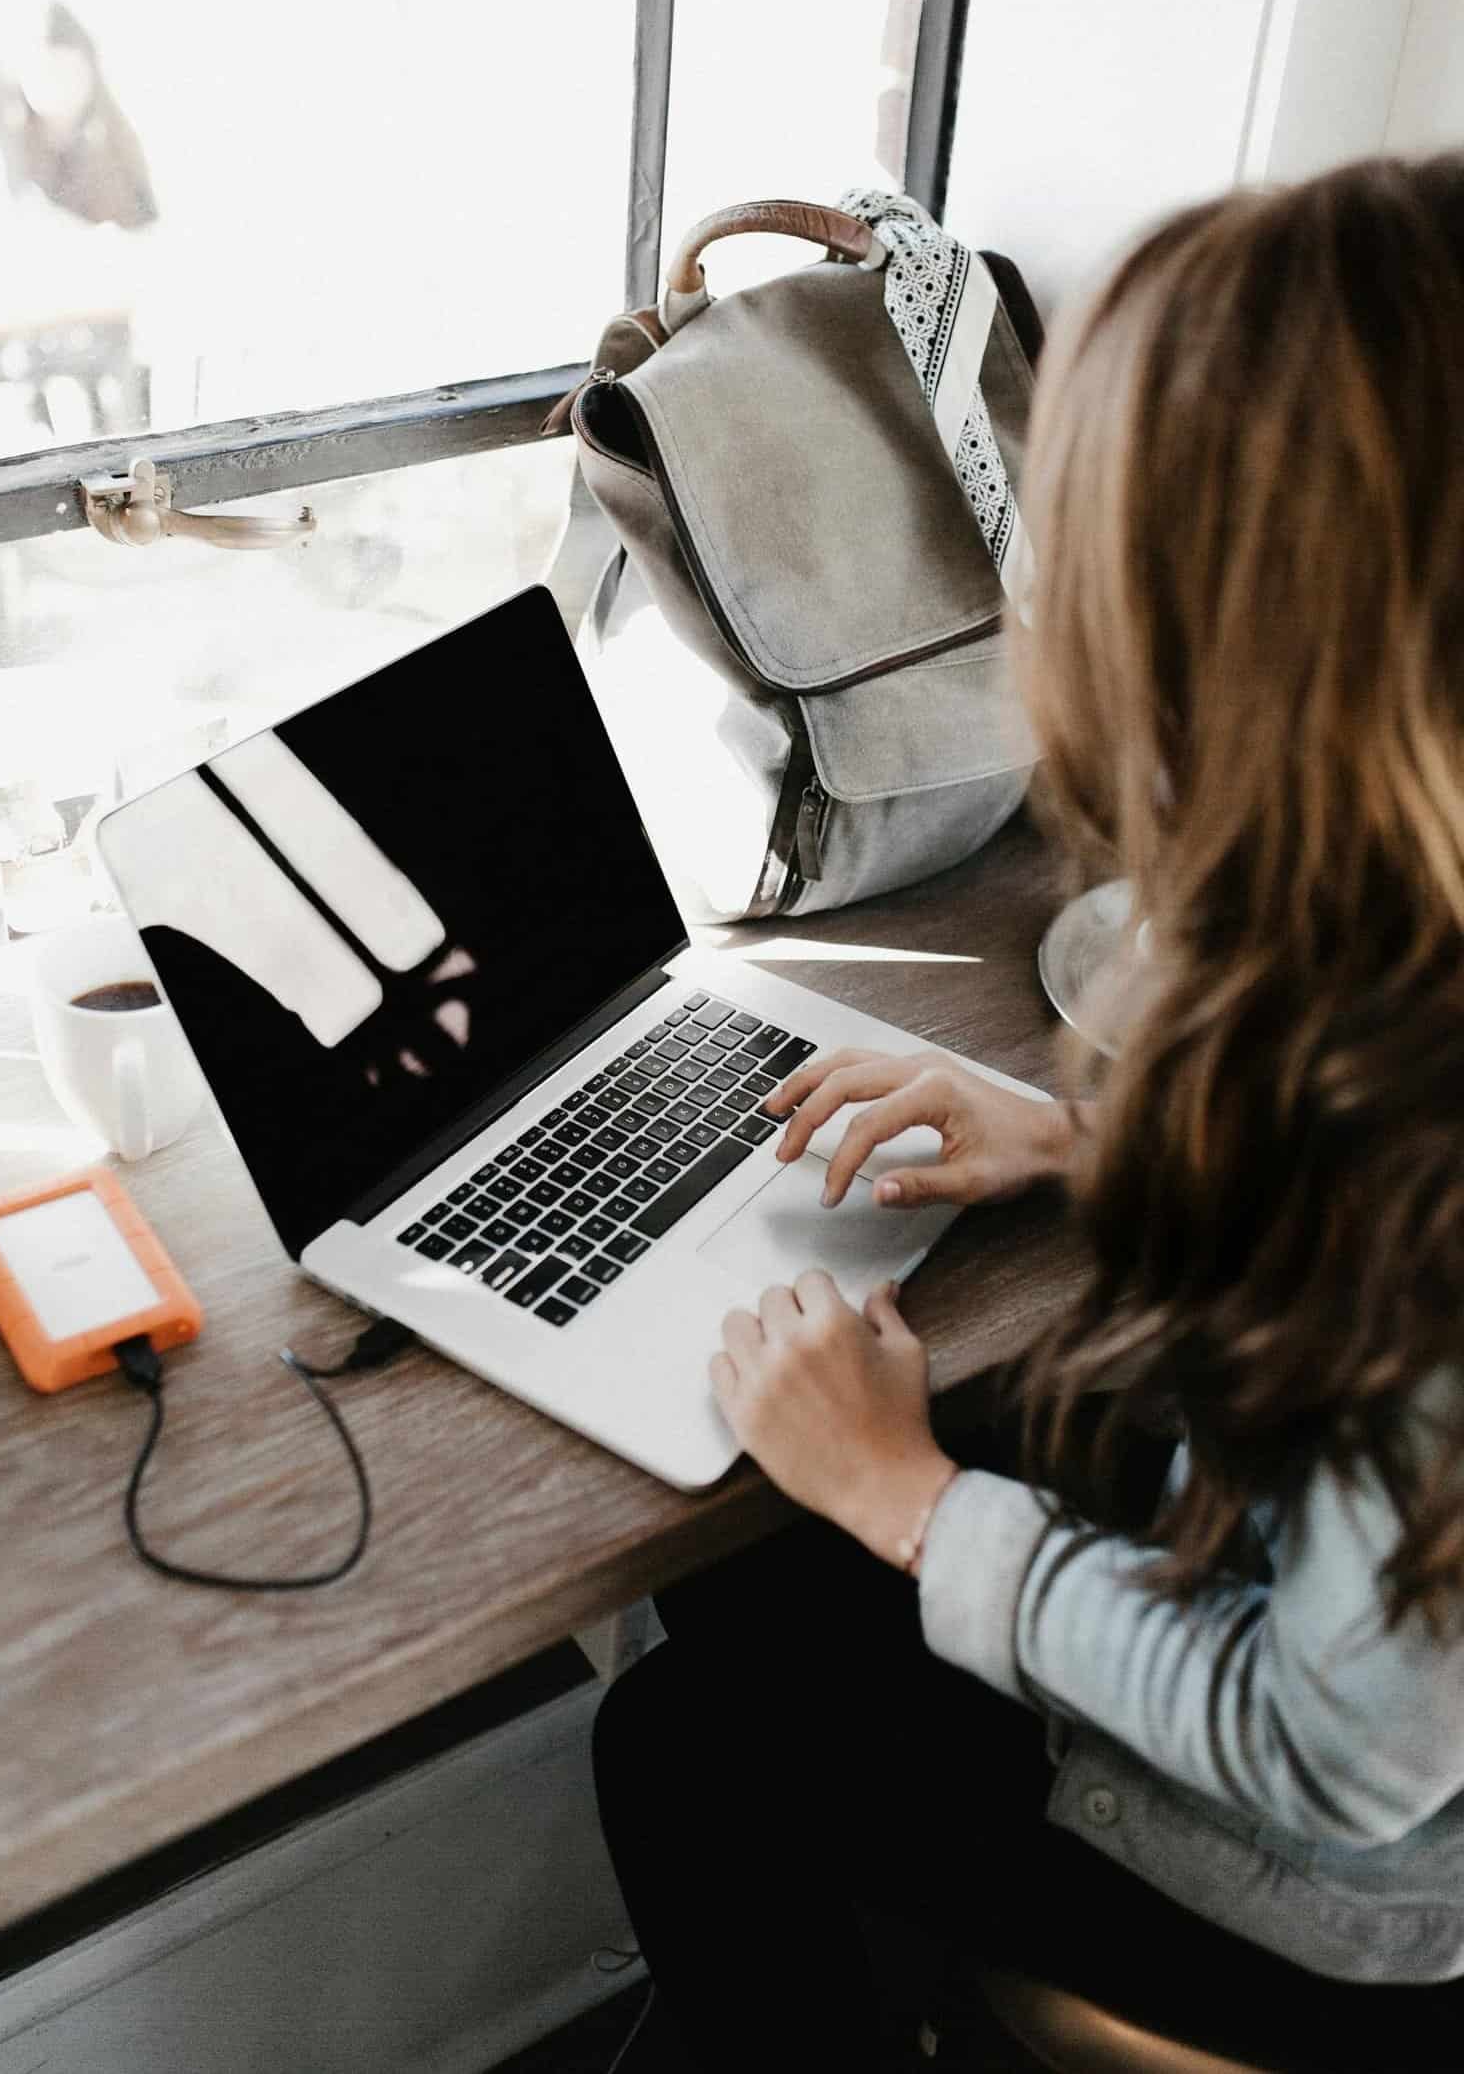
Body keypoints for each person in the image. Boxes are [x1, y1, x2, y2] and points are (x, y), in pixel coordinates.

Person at [591, 154, 1464, 2074]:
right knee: (756, 1596)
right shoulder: (1394, 986)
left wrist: (908, 1495)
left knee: (687, 1743)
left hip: (1364, 1925)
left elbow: (1335, 1759)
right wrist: (1087, 1139)